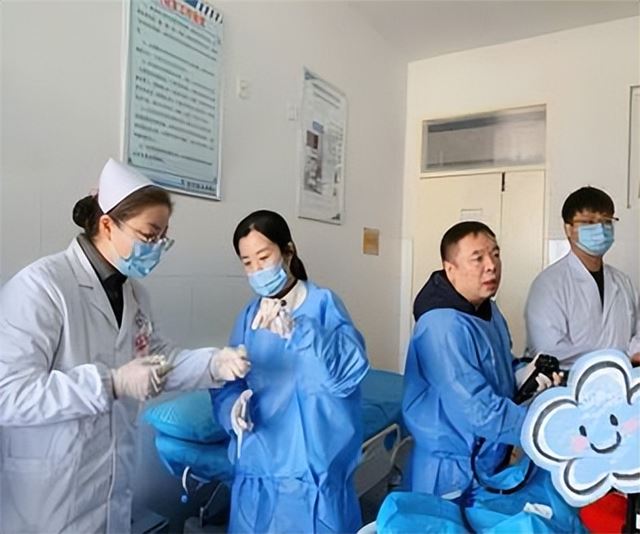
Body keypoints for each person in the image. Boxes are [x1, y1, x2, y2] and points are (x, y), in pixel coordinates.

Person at [0, 158, 250, 533]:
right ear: (106, 225)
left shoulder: (133, 295)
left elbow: (158, 362)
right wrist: (110, 383)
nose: (157, 247)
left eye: (163, 238)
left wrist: (214, 363)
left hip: (109, 493)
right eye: (150, 235)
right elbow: (9, 393)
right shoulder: (42, 287)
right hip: (48, 499)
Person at [212, 210, 370, 534]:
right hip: (260, 472)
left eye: (263, 257)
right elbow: (228, 382)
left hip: (318, 475)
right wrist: (232, 408)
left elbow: (347, 373)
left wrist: (300, 331)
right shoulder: (249, 318)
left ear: (288, 251)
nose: (257, 270)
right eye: (247, 263)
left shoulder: (324, 305)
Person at [403, 221, 559, 500]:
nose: (491, 266)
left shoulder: (487, 310)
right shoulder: (442, 327)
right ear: (450, 269)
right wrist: (548, 429)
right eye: (478, 258)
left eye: (495, 254)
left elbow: (500, 366)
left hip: (488, 457)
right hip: (450, 471)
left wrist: (526, 373)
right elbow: (479, 411)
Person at [525, 186, 640, 368]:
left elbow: (637, 334)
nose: (600, 229)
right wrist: (617, 359)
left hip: (623, 380)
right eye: (589, 222)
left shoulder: (623, 282)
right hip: (570, 382)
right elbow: (549, 350)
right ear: (568, 229)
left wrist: (633, 353)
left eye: (606, 221)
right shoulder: (548, 285)